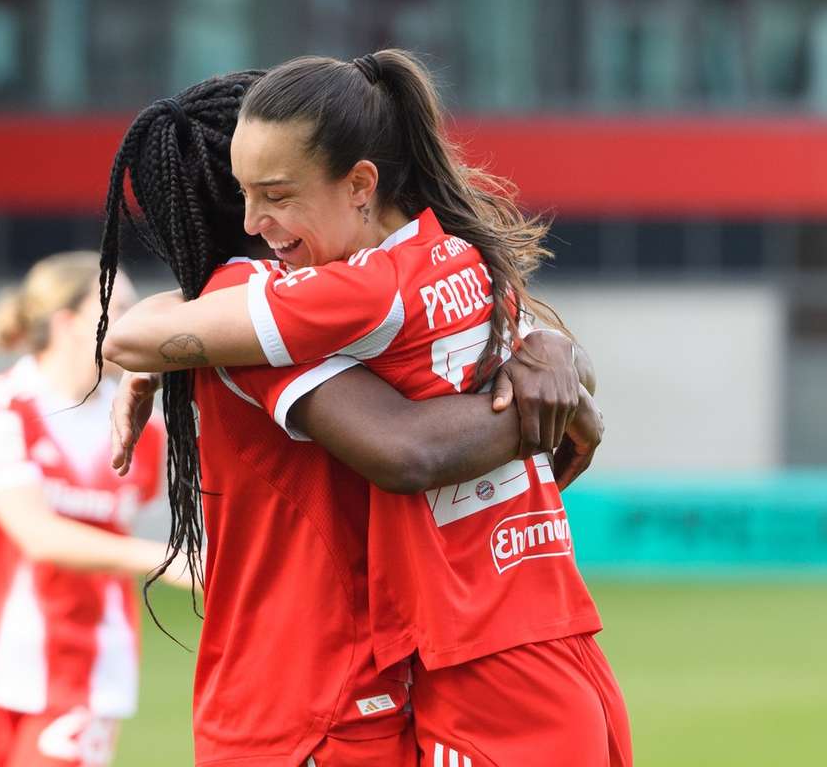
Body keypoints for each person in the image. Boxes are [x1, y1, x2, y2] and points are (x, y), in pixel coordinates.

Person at [104, 50, 631, 766]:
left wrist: (559, 381)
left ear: (356, 183)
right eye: (247, 194)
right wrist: (558, 388)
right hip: (504, 644)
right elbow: (523, 349)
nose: (260, 219)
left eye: (276, 193)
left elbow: (406, 451)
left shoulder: (325, 296)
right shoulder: (455, 252)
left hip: (319, 705)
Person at [0, 252, 175, 767]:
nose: (135, 322)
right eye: (120, 308)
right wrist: (169, 559)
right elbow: (38, 535)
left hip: (86, 667)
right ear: (67, 322)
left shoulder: (146, 428)